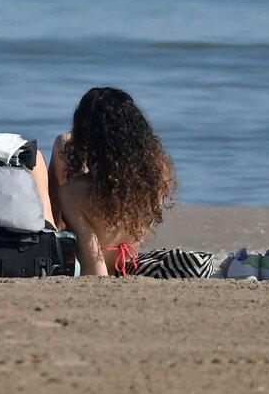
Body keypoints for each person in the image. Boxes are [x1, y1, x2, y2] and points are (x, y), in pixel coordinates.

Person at [22, 86, 177, 277]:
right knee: (65, 143)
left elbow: (94, 265)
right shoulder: (156, 172)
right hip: (129, 261)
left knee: (43, 154)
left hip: (91, 261)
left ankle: (50, 235)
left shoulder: (72, 193)